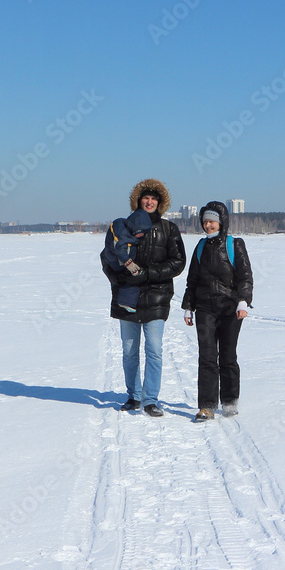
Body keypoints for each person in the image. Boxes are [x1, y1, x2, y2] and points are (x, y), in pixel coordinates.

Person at [101, 178, 185, 416]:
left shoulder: (169, 229)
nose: (149, 202)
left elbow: (178, 263)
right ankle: (133, 396)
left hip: (157, 297)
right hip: (127, 297)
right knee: (129, 350)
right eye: (145, 198)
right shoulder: (123, 226)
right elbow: (106, 258)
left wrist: (148, 274)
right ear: (138, 201)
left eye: (153, 198)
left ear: (160, 203)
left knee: (154, 349)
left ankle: (150, 399)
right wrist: (118, 279)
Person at [181, 201, 253, 422]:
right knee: (207, 357)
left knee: (228, 357)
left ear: (221, 222)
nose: (208, 225)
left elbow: (245, 277)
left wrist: (243, 301)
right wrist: (188, 306)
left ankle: (230, 401)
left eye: (212, 221)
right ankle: (207, 405)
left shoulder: (235, 245)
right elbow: (192, 280)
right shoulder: (200, 247)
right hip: (205, 309)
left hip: (230, 309)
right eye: (205, 221)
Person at [99, 208, 152, 313]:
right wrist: (128, 262)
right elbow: (120, 249)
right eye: (140, 233)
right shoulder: (123, 234)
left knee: (130, 277)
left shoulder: (125, 227)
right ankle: (127, 302)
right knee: (132, 276)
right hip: (117, 261)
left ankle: (126, 301)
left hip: (114, 259)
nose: (141, 236)